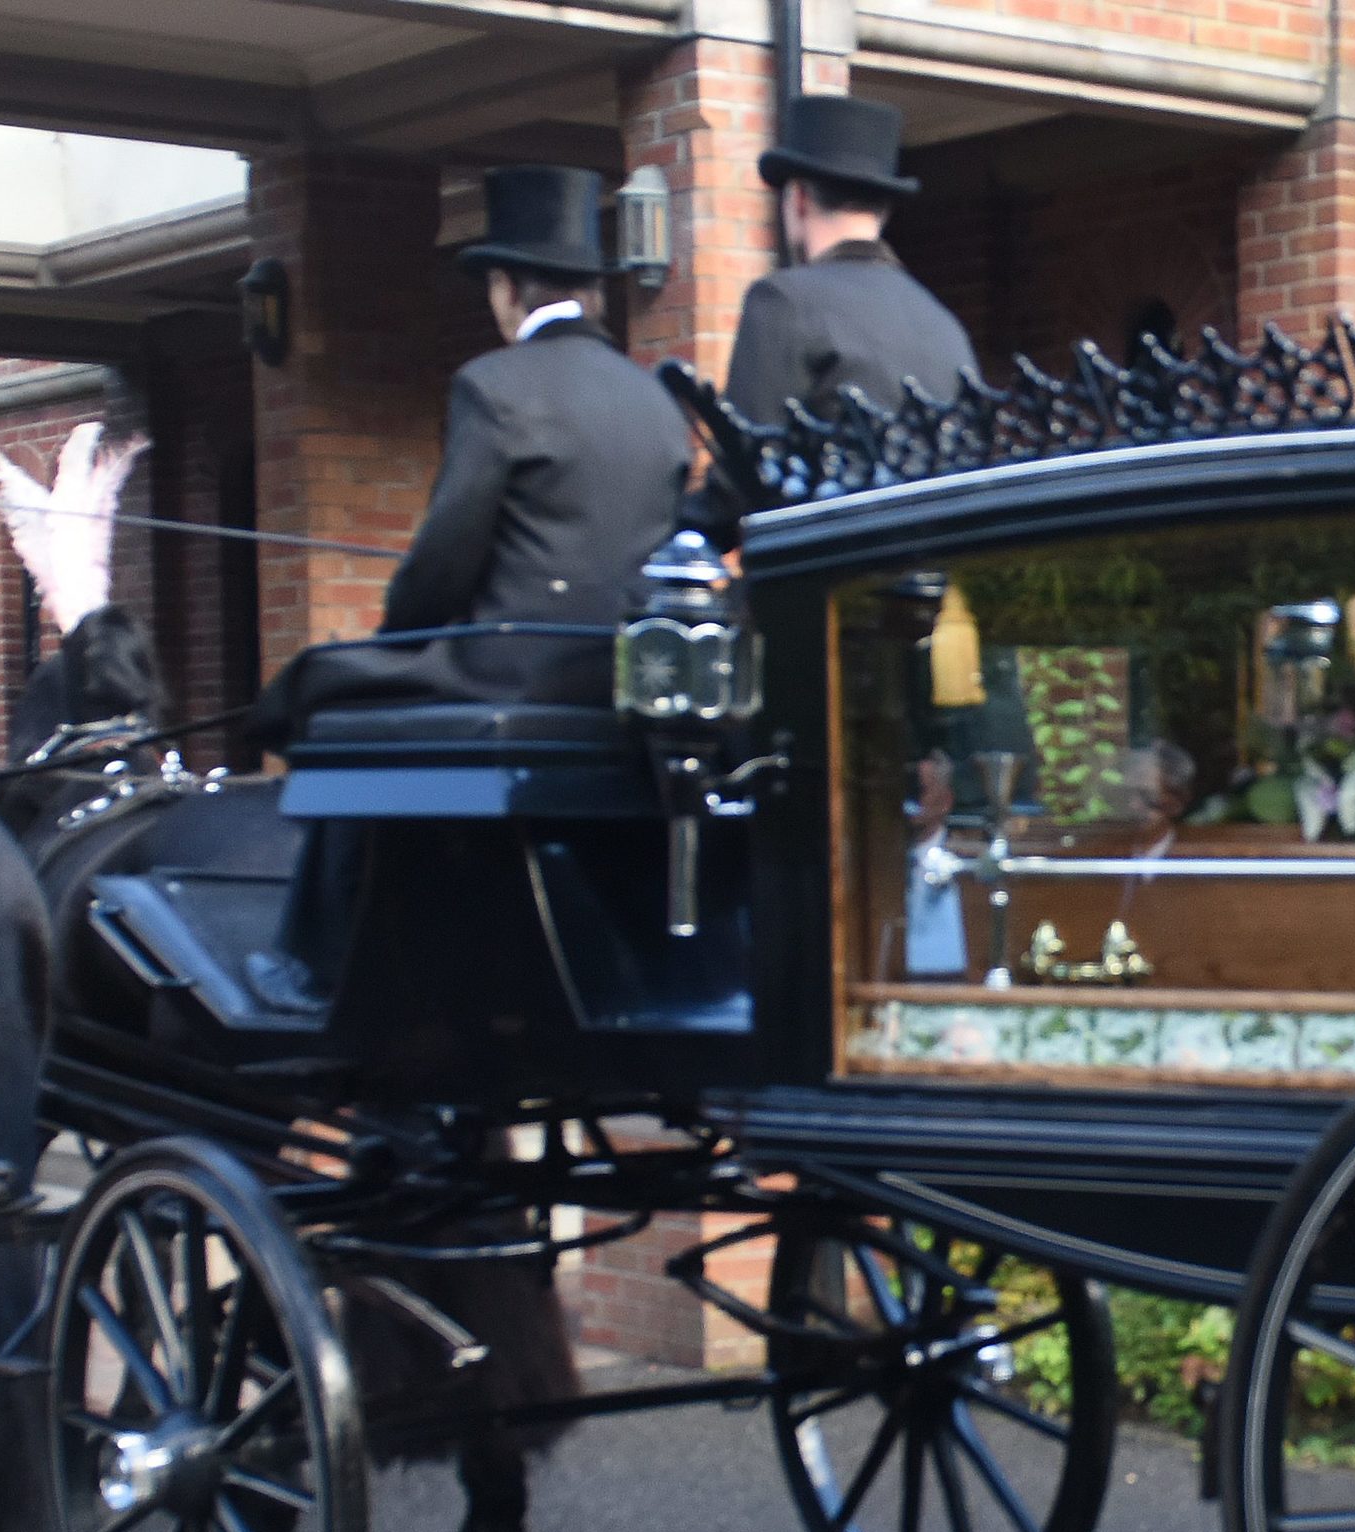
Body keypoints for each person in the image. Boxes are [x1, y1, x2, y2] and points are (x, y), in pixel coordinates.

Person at [248, 165, 695, 1015]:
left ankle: (316, 957)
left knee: (331, 695)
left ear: (504, 287)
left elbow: (444, 559)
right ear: (590, 289)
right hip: (625, 682)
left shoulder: (492, 387)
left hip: (511, 672)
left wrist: (399, 637)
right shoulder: (655, 402)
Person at [721, 95, 977, 430]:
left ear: (798, 199)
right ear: (883, 211)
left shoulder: (783, 301)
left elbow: (747, 464)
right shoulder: (943, 323)